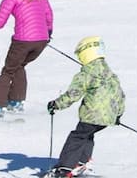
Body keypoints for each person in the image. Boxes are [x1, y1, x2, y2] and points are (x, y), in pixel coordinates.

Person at [45, 36, 127, 178]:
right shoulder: (110, 73)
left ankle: (64, 169)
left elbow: (74, 93)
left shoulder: (86, 74)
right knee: (87, 135)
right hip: (108, 116)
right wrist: (118, 114)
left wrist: (57, 104)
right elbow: (119, 94)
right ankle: (82, 162)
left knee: (77, 137)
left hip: (92, 114)